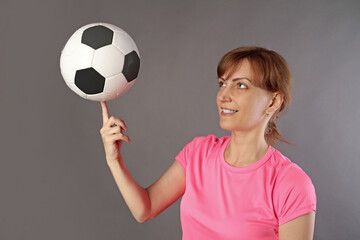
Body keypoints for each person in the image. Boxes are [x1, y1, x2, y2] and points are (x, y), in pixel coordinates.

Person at [99, 46, 317, 240]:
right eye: (222, 83)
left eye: (241, 86)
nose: (223, 95)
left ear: (273, 101)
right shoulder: (198, 153)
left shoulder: (291, 183)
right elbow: (144, 209)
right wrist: (114, 159)